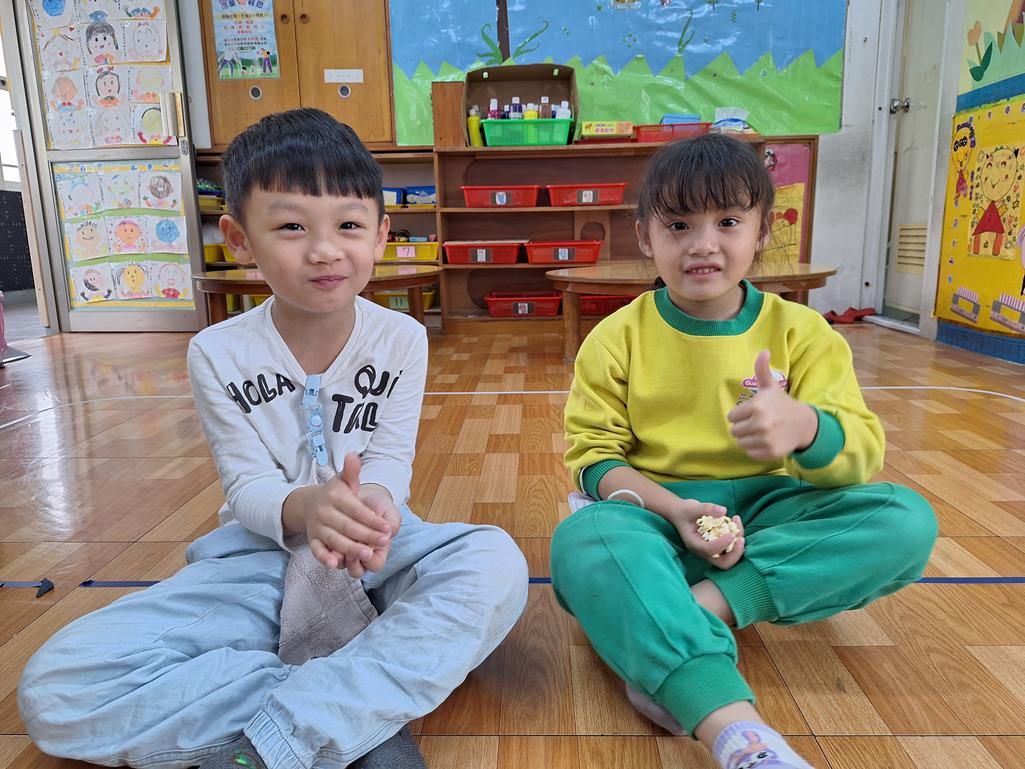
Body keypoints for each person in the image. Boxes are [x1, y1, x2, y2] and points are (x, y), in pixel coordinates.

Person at [18, 108, 528, 769]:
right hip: (254, 564)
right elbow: (247, 485)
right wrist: (307, 508)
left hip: (376, 553)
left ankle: (277, 739)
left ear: (381, 234)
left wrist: (371, 507)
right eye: (291, 226)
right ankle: (349, 709)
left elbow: (390, 458)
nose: (324, 249)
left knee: (493, 560)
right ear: (238, 238)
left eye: (348, 225)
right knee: (60, 687)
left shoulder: (401, 337)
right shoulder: (216, 351)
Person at [550, 133, 937, 769]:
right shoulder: (616, 337)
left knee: (905, 520)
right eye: (679, 224)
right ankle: (735, 728)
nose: (703, 244)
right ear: (645, 236)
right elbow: (594, 461)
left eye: (728, 221)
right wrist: (675, 509)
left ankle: (690, 617)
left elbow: (862, 454)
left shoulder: (803, 332)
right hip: (657, 520)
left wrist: (805, 428)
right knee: (584, 539)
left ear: (762, 233)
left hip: (768, 523)